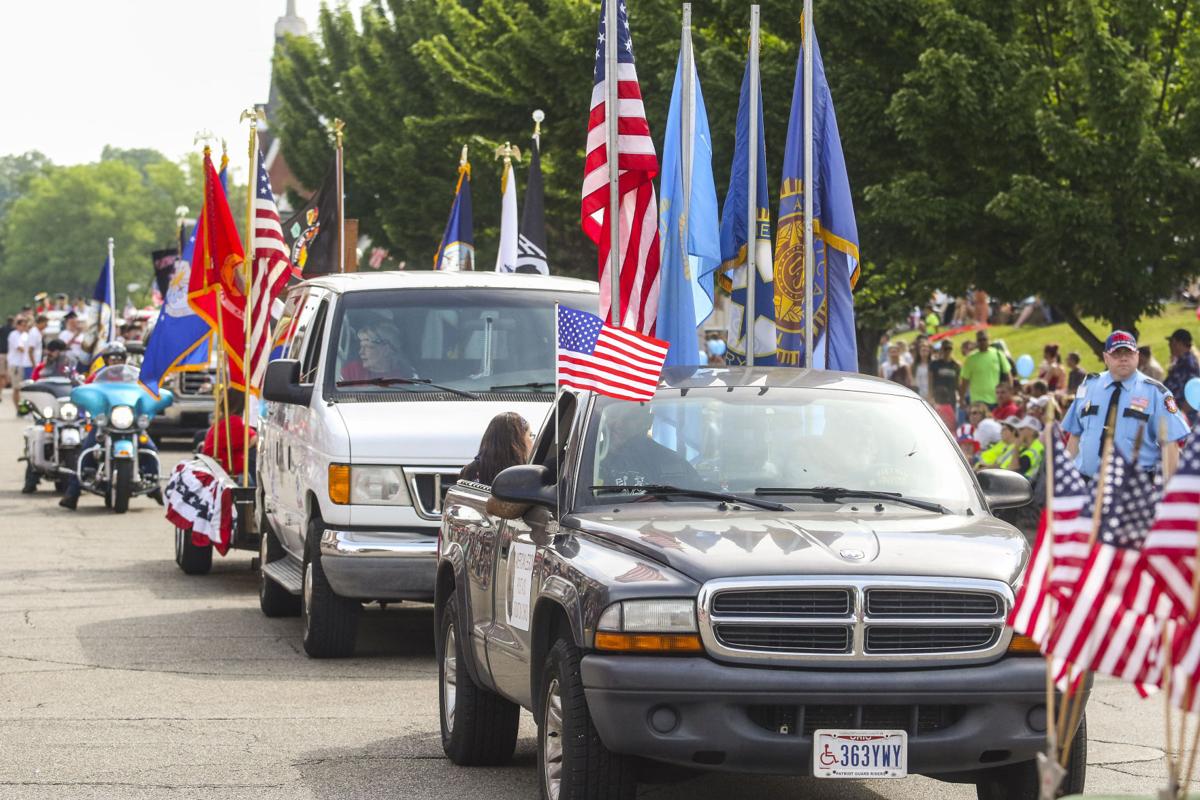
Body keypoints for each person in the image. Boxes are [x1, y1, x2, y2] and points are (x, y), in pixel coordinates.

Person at [1063, 330, 1190, 480]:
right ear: (1106, 357)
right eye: (1117, 353)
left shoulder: (1157, 393)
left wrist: (1169, 490)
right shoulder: (1088, 386)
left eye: (1128, 353)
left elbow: (1170, 444)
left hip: (1133, 490)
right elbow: (1075, 436)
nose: (1123, 358)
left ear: (1136, 355)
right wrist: (1065, 477)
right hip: (1087, 484)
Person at [596, 403, 699, 488]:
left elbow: (697, 500)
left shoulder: (673, 461)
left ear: (648, 421)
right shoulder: (586, 459)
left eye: (630, 417)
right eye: (613, 415)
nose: (619, 424)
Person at [459, 412, 534, 485]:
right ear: (517, 441)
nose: (533, 440)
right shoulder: (526, 475)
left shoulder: (469, 470)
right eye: (530, 435)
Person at [201, 389, 257, 476]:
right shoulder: (235, 422)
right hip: (226, 472)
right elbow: (253, 439)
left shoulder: (224, 421)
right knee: (255, 456)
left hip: (216, 468)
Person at [340, 321, 418, 382]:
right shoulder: (351, 371)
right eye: (361, 347)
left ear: (386, 350)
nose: (361, 352)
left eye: (367, 347)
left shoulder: (407, 375)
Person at [959, 330, 1011, 410]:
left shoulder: (998, 354)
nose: (982, 342)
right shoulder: (970, 359)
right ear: (976, 342)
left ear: (989, 340)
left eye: (984, 339)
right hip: (977, 401)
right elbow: (964, 381)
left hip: (996, 400)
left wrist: (1009, 393)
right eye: (980, 340)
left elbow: (1008, 375)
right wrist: (961, 399)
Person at [1166, 328, 1200, 425]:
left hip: (1184, 420)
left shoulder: (1189, 363)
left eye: (1171, 342)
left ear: (1179, 343)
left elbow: (1194, 393)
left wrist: (1181, 416)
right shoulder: (1180, 362)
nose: (1169, 345)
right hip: (1175, 415)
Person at [7, 317, 31, 409]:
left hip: (24, 364)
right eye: (23, 325)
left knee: (24, 389)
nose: (24, 327)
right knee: (16, 388)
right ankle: (18, 409)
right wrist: (31, 351)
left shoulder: (25, 335)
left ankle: (24, 408)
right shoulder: (14, 335)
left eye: (26, 325)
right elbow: (20, 348)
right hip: (16, 364)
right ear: (17, 325)